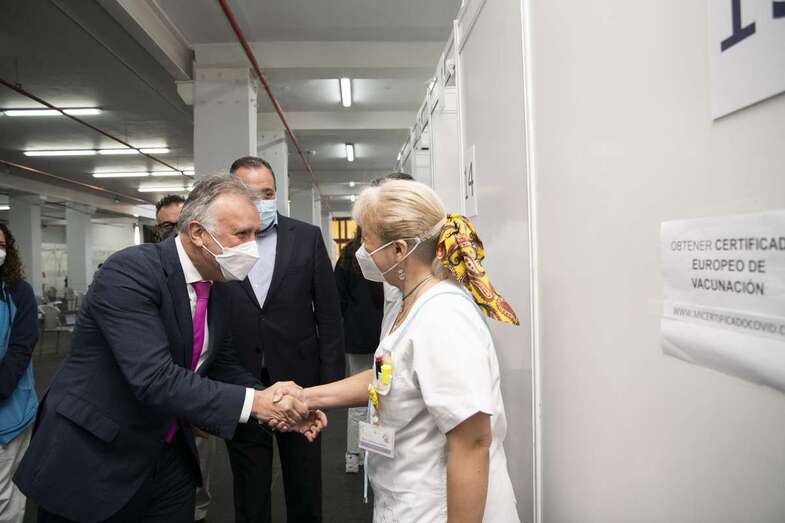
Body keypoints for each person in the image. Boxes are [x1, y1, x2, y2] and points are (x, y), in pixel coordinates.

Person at [14, 175, 325, 523]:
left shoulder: (218, 283)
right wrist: (257, 404)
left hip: (169, 453)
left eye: (255, 233)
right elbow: (153, 377)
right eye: (242, 234)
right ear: (197, 233)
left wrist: (273, 398)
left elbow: (220, 362)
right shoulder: (130, 271)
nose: (252, 246)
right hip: (94, 455)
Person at [274, 179, 521, 523]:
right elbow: (389, 375)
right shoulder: (409, 301)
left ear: (400, 250)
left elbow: (473, 442)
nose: (362, 252)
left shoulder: (443, 318)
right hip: (406, 498)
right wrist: (307, 396)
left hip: (437, 507)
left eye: (367, 241)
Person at [213, 156, 344, 523]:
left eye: (268, 193)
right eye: (249, 194)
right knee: (249, 486)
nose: (261, 201)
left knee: (304, 483)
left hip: (301, 381)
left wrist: (329, 387)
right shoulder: (219, 242)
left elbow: (330, 317)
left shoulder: (306, 237)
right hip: (242, 380)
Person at [333, 227, 383, 473]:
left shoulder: (348, 255)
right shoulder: (384, 251)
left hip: (357, 338)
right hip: (384, 338)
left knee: (358, 399)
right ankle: (373, 454)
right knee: (381, 397)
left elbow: (337, 299)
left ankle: (354, 456)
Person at [0, 224, 39, 523]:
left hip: (12, 409)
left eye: (1, 244)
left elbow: (20, 348)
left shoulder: (17, 292)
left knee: (9, 495)